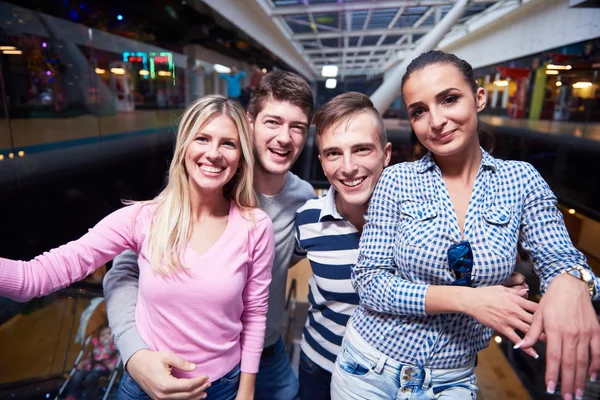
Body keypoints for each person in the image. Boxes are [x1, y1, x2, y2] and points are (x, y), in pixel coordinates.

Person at [330, 50, 600, 400]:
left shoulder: (521, 180)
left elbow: (560, 257)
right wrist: (470, 300)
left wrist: (572, 282)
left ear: (479, 98)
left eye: (449, 99)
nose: (436, 120)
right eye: (419, 111)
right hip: (368, 368)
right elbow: (370, 282)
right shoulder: (397, 180)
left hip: (452, 379)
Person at [0, 95, 275, 400]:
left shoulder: (255, 226)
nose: (213, 153)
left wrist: (246, 391)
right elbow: (33, 279)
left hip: (222, 388)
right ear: (184, 146)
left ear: (240, 158)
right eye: (202, 138)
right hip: (146, 389)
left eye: (228, 143)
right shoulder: (142, 219)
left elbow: (254, 313)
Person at [103, 71, 316, 400]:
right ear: (249, 123)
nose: (284, 138)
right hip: (193, 366)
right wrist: (133, 352)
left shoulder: (305, 201)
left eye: (297, 127)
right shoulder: (203, 185)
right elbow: (124, 270)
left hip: (267, 356)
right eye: (273, 122)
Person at [66, 326, 119, 400]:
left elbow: (116, 361)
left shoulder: (114, 350)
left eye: (109, 334)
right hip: (91, 368)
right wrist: (83, 363)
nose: (105, 337)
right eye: (102, 335)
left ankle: (89, 398)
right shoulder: (96, 349)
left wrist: (112, 365)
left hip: (103, 370)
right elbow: (90, 359)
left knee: (90, 378)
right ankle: (73, 395)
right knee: (77, 375)